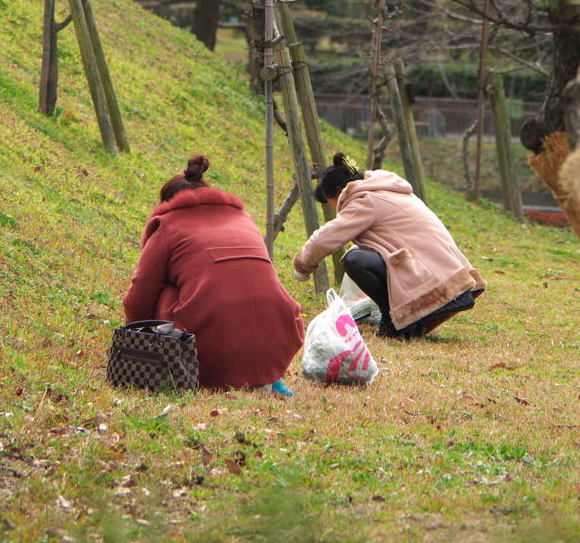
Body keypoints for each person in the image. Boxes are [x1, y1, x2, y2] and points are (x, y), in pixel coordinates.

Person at [123, 155, 305, 389]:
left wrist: (138, 343)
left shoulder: (167, 224)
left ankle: (221, 369)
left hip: (204, 356)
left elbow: (139, 299)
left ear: (167, 203)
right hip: (279, 344)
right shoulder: (245, 219)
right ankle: (258, 374)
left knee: (165, 289)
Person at [293, 153, 486, 339]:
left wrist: (302, 265)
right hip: (451, 276)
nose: (335, 209)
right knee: (363, 254)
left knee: (355, 260)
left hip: (435, 282)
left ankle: (393, 321)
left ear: (338, 191)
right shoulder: (387, 189)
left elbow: (325, 239)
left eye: (330, 203)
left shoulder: (365, 200)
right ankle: (406, 321)